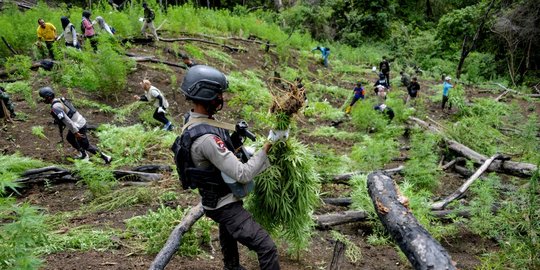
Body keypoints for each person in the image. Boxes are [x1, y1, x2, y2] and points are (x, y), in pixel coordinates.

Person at [174, 65, 281, 270]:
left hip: (213, 199)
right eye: (219, 94)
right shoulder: (207, 139)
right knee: (267, 248)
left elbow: (217, 153)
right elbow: (243, 173)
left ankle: (232, 267)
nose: (222, 99)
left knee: (229, 237)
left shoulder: (193, 121)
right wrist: (269, 145)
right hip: (224, 205)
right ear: (207, 96)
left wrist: (235, 138)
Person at [38, 87, 112, 163]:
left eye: (44, 98)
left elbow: (67, 120)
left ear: (48, 97)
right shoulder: (60, 99)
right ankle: (83, 154)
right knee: (70, 138)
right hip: (79, 121)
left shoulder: (55, 107)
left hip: (78, 125)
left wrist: (76, 132)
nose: (43, 100)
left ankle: (106, 157)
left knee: (86, 146)